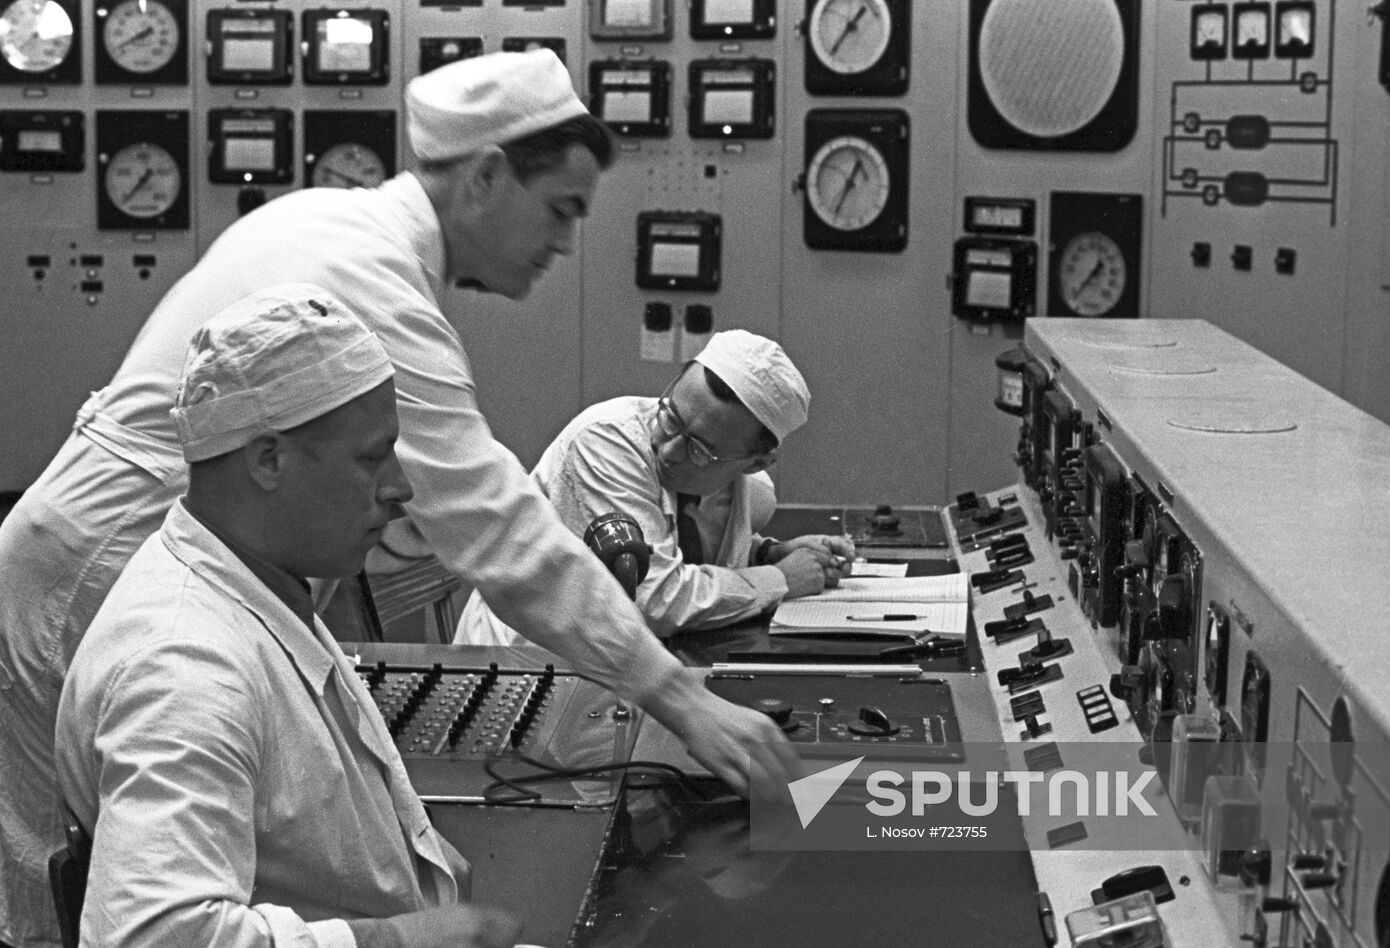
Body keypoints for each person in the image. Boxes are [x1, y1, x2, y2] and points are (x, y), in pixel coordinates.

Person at [0, 50, 795, 947]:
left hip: (166, 568)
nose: (567, 243)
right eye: (562, 209)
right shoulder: (372, 285)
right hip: (100, 578)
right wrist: (681, 701)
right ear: (489, 174)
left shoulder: (335, 224)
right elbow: (501, 536)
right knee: (54, 905)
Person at [55, 287, 522, 948]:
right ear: (268, 459)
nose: (400, 485)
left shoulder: (256, 583)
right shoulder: (183, 667)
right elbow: (151, 937)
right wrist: (398, 938)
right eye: (370, 457)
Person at [456, 330, 855, 643]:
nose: (668, 449)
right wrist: (780, 580)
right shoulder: (605, 444)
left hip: (612, 669)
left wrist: (767, 553)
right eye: (671, 417)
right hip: (524, 668)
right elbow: (657, 599)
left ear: (753, 463)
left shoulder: (748, 487)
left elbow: (680, 542)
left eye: (700, 450)